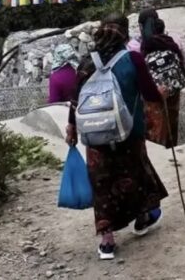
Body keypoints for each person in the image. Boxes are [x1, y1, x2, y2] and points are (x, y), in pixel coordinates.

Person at [66, 16, 168, 261]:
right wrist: (162, 93)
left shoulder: (86, 62)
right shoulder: (133, 59)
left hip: (95, 135)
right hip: (129, 134)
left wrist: (71, 126)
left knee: (103, 186)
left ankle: (107, 241)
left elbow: (75, 100)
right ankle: (143, 218)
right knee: (136, 175)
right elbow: (150, 93)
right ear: (124, 34)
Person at [140, 15, 185, 148]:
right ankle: (172, 145)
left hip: (155, 92)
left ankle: (158, 148)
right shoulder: (171, 42)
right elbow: (183, 60)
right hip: (174, 88)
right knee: (173, 119)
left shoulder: (146, 44)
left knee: (157, 124)